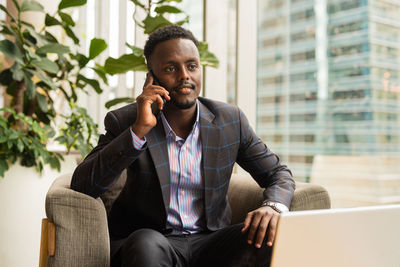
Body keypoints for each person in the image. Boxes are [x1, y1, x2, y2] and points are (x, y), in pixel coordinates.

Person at [71, 25, 295, 267]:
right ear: (151, 77)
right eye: (170, 68)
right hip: (154, 242)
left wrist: (273, 206)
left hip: (211, 242)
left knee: (272, 237)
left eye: (192, 66)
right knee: (147, 243)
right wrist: (138, 131)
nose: (184, 75)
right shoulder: (126, 121)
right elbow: (83, 185)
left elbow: (278, 174)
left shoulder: (230, 120)